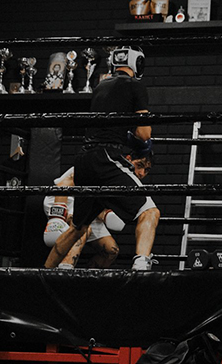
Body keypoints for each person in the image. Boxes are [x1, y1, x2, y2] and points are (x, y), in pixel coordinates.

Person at [44, 46, 161, 271]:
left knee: (78, 227)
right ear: (138, 63)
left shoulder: (101, 85)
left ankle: (44, 272)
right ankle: (141, 268)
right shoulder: (135, 85)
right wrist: (135, 135)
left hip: (84, 160)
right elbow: (144, 134)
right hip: (106, 157)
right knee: (150, 212)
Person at [43, 151, 154, 269]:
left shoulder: (127, 180)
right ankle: (64, 272)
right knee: (82, 230)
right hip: (65, 199)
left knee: (110, 250)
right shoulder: (106, 166)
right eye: (139, 165)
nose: (142, 173)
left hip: (91, 206)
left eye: (146, 170)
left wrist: (106, 214)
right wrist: (57, 216)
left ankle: (90, 278)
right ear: (128, 159)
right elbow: (64, 184)